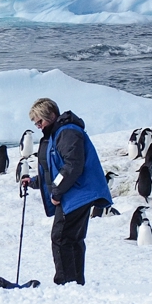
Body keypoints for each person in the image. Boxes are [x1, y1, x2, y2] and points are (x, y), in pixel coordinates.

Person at [23, 98, 112, 285]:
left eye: (40, 121)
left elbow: (73, 166)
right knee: (73, 238)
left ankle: (65, 283)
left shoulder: (67, 133)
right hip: (77, 193)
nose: (38, 126)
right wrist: (33, 182)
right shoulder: (58, 133)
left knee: (61, 237)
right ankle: (75, 282)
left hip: (77, 194)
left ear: (52, 115)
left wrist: (56, 193)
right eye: (36, 123)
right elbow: (57, 171)